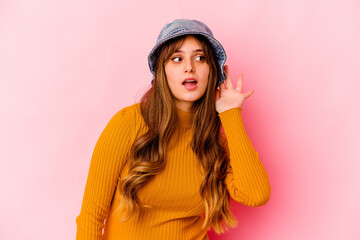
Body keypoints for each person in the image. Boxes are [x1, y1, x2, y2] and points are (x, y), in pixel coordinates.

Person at [76, 19, 271, 240]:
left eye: (200, 58)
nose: (189, 67)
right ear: (161, 72)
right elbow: (91, 217)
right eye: (176, 59)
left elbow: (257, 194)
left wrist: (230, 113)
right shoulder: (129, 123)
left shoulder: (213, 141)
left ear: (212, 72)